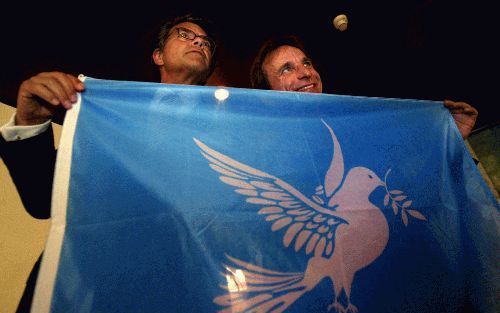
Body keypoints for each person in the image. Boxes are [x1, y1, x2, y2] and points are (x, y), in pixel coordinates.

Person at [0, 13, 218, 313]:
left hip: (173, 292)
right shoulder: (108, 114)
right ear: (158, 55)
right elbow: (42, 199)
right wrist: (31, 122)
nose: (198, 41)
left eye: (206, 42)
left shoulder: (222, 136)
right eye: (185, 34)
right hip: (79, 291)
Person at [249, 35, 478, 139]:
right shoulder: (266, 154)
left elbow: (406, 175)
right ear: (268, 96)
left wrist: (447, 139)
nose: (306, 73)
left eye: (306, 63)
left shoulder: (359, 129)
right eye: (287, 69)